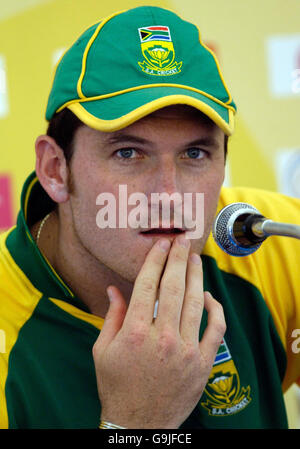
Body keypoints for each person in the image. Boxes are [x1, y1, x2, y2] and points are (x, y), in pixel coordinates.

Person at [0, 5, 299, 430]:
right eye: (128, 153)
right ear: (54, 169)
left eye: (195, 153)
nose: (170, 196)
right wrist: (136, 425)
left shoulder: (273, 242)